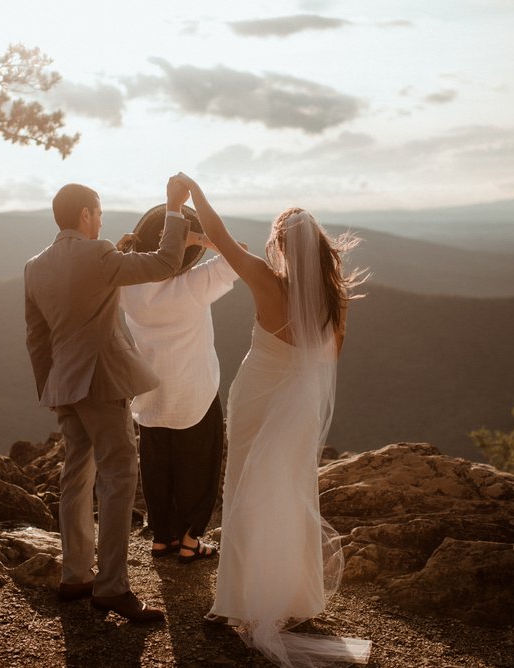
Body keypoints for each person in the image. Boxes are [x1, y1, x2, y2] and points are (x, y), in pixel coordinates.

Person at [173, 172, 371, 666]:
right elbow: (327, 363)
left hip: (256, 399)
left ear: (281, 245)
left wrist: (192, 193)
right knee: (294, 491)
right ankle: (300, 598)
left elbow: (218, 237)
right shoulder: (335, 300)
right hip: (297, 409)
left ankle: (237, 601)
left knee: (242, 491)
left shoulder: (264, 277)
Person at [23, 179, 190, 623]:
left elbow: (36, 337)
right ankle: (112, 588)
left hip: (65, 385)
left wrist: (51, 388)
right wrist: (173, 209)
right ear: (84, 215)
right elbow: (168, 261)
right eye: (98, 213)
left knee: (75, 475)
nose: (100, 220)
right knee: (118, 476)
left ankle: (76, 574)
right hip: (102, 383)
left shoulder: (35, 266)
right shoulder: (97, 256)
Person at [116, 211, 242, 564]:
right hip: (195, 390)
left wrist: (124, 252)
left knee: (157, 465)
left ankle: (162, 537)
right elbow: (239, 255)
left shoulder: (129, 287)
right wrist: (200, 239)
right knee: (199, 464)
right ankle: (189, 539)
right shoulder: (194, 284)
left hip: (150, 391)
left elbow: (103, 276)